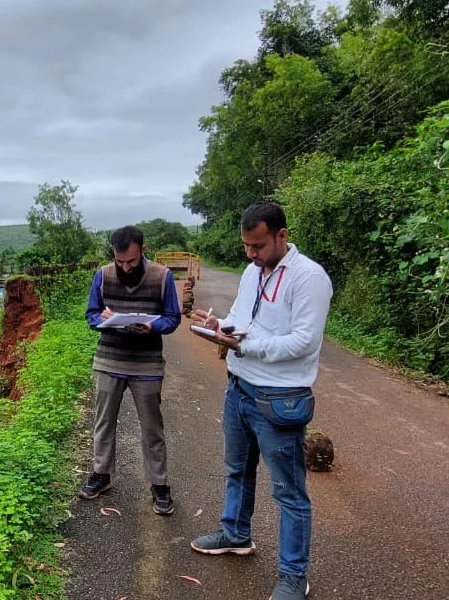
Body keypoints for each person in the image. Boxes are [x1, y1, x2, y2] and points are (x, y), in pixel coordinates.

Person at [189, 202, 333, 600]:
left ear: (282, 236)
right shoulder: (253, 273)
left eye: (258, 246)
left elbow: (304, 341)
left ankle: (293, 576)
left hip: (280, 398)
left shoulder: (309, 278)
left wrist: (245, 346)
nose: (251, 255)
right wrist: (220, 327)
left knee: (289, 492)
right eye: (246, 246)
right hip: (239, 388)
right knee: (237, 469)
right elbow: (242, 316)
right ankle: (236, 533)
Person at [80, 225, 182, 516]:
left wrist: (151, 325)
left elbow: (173, 318)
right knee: (103, 422)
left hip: (146, 364)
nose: (125, 267)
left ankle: (159, 485)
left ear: (142, 251)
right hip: (109, 359)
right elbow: (91, 314)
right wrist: (104, 320)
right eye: (120, 261)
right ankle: (101, 474)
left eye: (132, 262)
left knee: (152, 428)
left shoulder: (162, 277)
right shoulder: (102, 275)